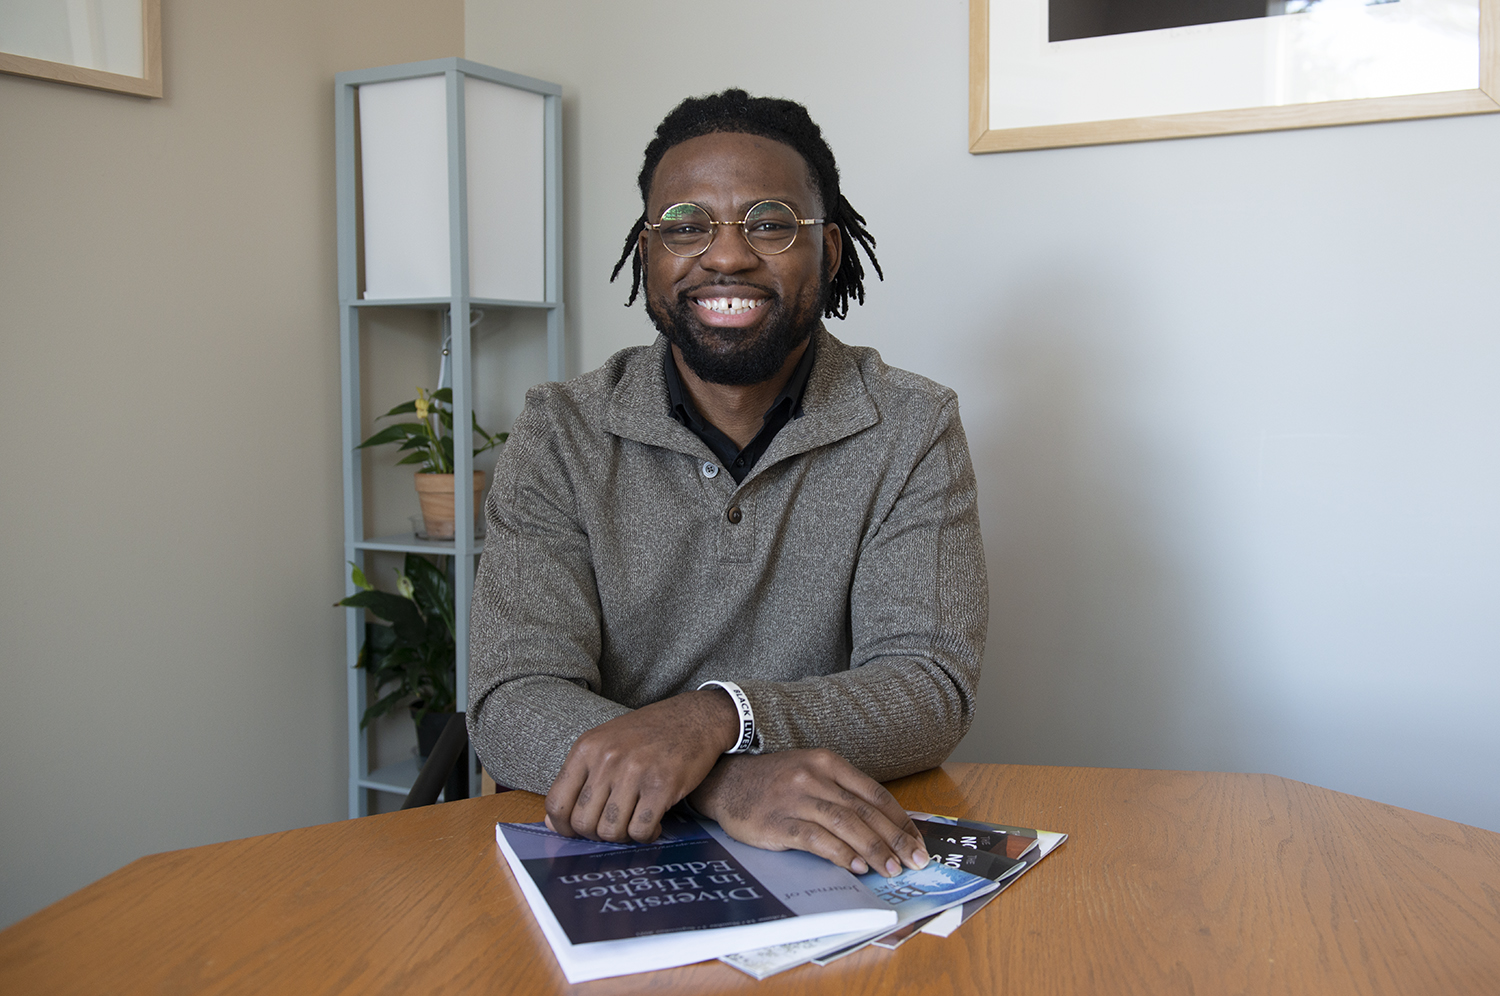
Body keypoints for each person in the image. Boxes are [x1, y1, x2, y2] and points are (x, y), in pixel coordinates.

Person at [468, 89, 987, 880]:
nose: (727, 256)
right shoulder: (559, 431)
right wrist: (723, 781)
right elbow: (511, 696)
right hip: (608, 848)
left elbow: (927, 687)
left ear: (831, 252)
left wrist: (718, 718)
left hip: (826, 854)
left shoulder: (912, 426)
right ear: (648, 254)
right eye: (685, 226)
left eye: (771, 222)